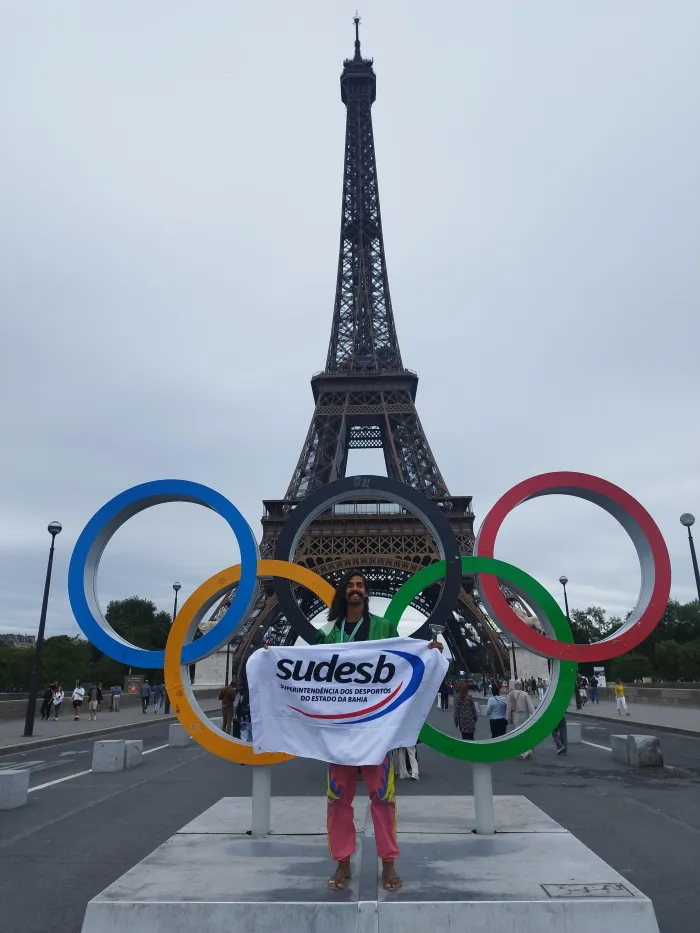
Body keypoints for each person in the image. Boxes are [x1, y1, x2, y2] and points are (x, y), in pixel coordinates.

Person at [312, 569, 443, 893]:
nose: (356, 589)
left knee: (383, 798)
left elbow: (403, 660)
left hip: (376, 731)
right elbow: (309, 669)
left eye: (360, 585)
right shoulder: (329, 632)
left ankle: (389, 862)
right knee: (337, 799)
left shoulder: (385, 628)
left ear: (366, 593)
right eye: (351, 585)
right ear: (344, 593)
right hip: (340, 732)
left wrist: (428, 651)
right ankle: (342, 862)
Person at [507, 680, 535, 759]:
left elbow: (508, 707)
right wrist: (534, 715)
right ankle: (527, 750)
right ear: (521, 686)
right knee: (525, 732)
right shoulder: (525, 694)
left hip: (515, 715)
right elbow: (530, 706)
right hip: (524, 715)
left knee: (517, 733)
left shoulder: (510, 694)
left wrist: (508, 717)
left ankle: (521, 750)